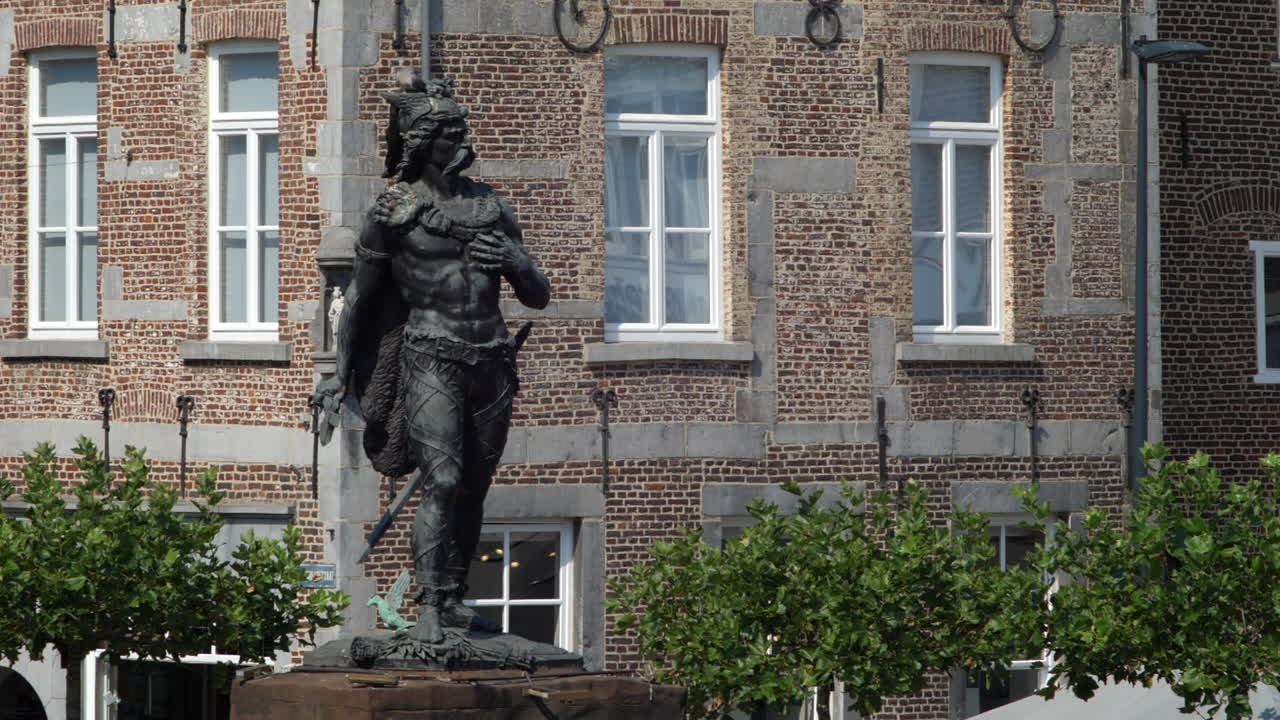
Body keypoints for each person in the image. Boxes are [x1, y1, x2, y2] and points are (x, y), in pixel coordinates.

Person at [313, 71, 551, 644]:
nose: (461, 140)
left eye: (461, 128)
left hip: (492, 359)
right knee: (441, 477)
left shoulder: (491, 207)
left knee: (472, 486)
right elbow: (360, 301)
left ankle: (451, 596)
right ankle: (426, 607)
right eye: (448, 131)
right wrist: (336, 377)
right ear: (421, 142)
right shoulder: (394, 213)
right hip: (429, 354)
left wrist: (518, 262)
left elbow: (537, 295)